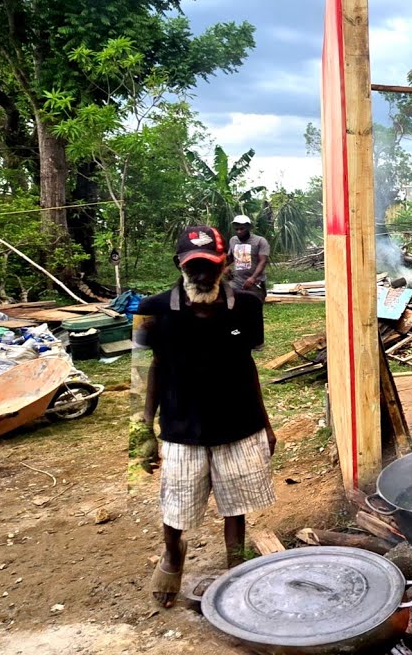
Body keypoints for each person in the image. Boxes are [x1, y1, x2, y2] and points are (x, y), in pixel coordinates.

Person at [133, 225, 277, 608]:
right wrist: (142, 430)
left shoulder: (247, 306)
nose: (201, 275)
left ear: (225, 264)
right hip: (181, 428)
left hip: (239, 424)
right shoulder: (151, 309)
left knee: (235, 503)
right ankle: (172, 555)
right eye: (193, 267)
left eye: (210, 267)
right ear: (178, 264)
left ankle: (236, 566)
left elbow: (249, 366)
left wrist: (266, 423)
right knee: (175, 506)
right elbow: (146, 369)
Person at [228, 214, 270, 301]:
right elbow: (230, 257)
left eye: (242, 229)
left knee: (254, 305)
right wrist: (224, 267)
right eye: (237, 229)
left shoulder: (260, 241)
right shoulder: (233, 240)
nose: (239, 231)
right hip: (237, 281)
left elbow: (263, 261)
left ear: (249, 227)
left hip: (255, 282)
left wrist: (253, 278)